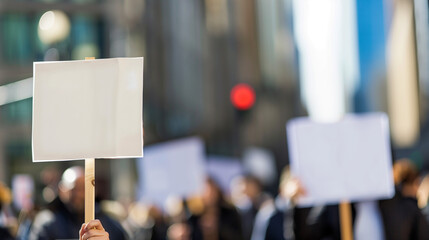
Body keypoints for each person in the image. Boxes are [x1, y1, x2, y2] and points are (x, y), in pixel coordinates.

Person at [29, 166, 127, 240]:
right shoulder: (48, 223)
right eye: (74, 188)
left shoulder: (107, 222)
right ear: (62, 190)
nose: (79, 194)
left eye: (84, 188)